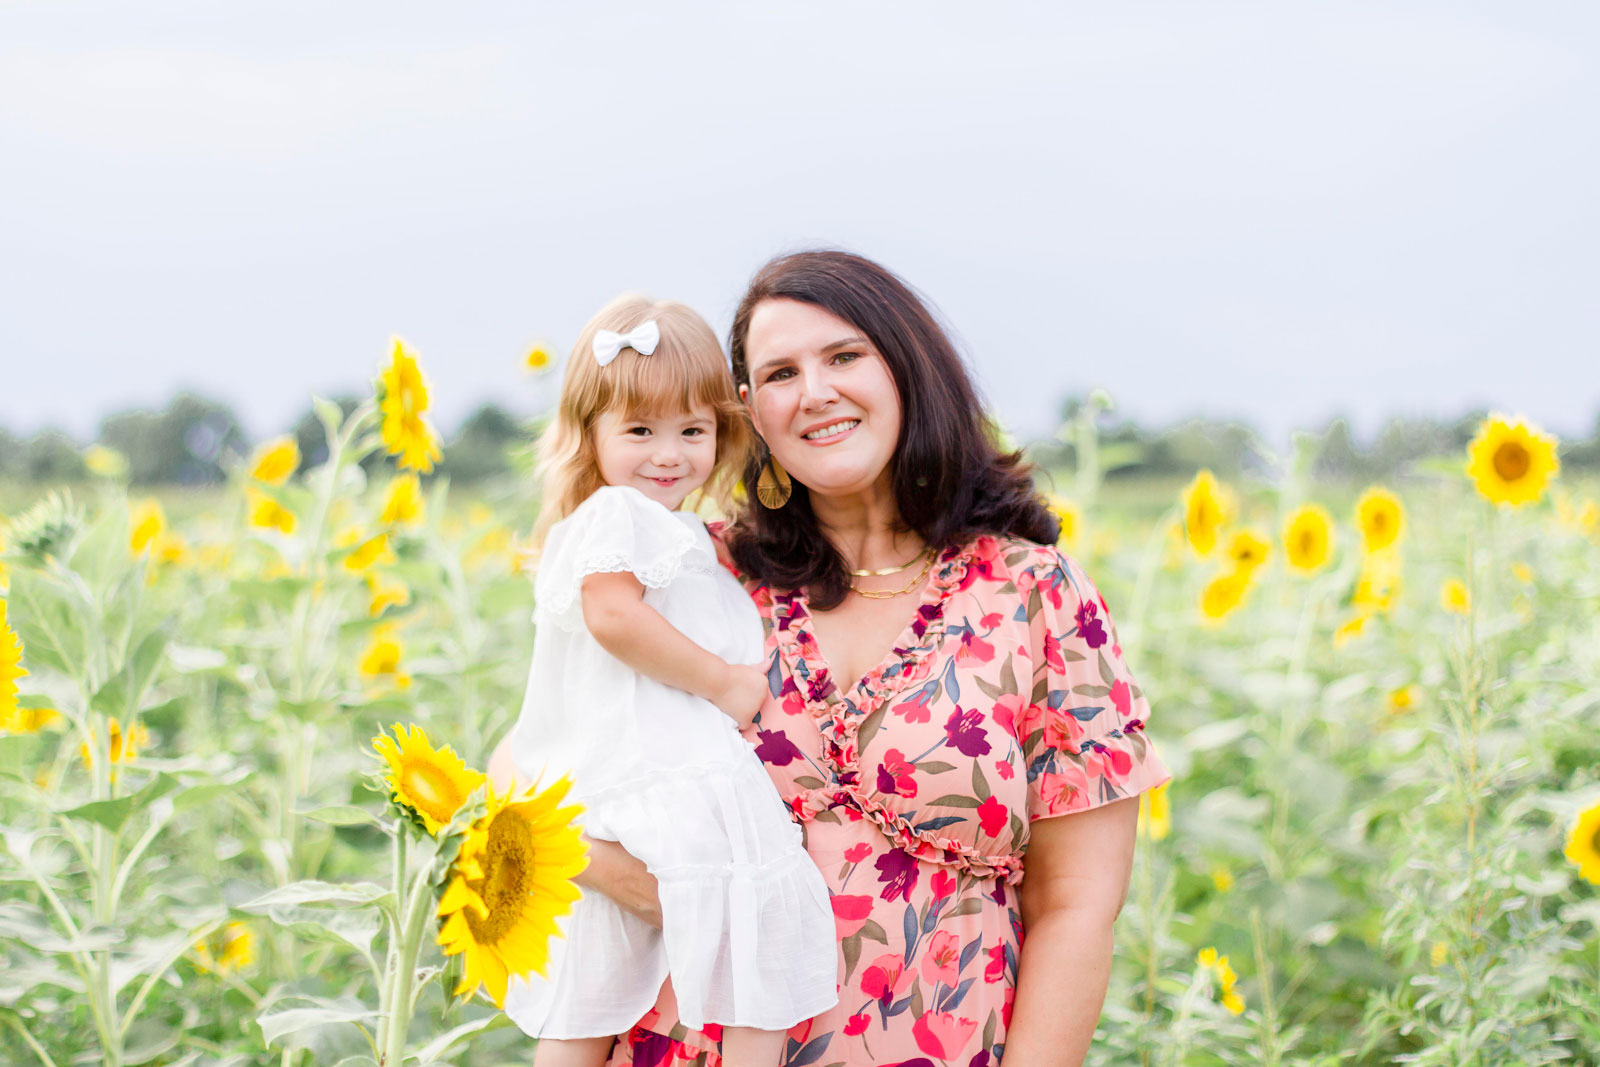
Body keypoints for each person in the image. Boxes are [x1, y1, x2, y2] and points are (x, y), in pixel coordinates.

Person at [572, 252, 1174, 1067]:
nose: (815, 390)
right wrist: (673, 890)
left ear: (908, 369)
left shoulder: (1035, 595)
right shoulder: (693, 581)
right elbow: (529, 778)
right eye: (781, 372)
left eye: (845, 356)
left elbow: (1074, 903)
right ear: (748, 412)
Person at [490, 294, 838, 1067]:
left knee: (590, 987)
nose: (668, 453)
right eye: (640, 430)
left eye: (692, 430)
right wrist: (723, 682)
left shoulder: (663, 526)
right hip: (661, 771)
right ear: (591, 434)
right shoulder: (621, 515)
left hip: (613, 777)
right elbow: (613, 616)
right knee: (763, 907)